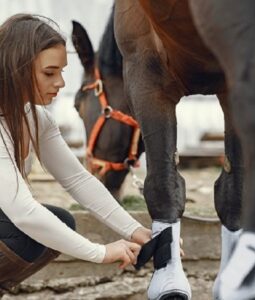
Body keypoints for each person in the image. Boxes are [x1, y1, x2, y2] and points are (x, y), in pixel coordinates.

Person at [0, 13, 151, 293]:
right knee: (21, 230)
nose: (61, 83)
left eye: (61, 72)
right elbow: (22, 211)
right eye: (49, 72)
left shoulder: (36, 118)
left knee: (61, 221)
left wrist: (135, 230)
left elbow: (78, 180)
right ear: (16, 67)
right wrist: (100, 252)